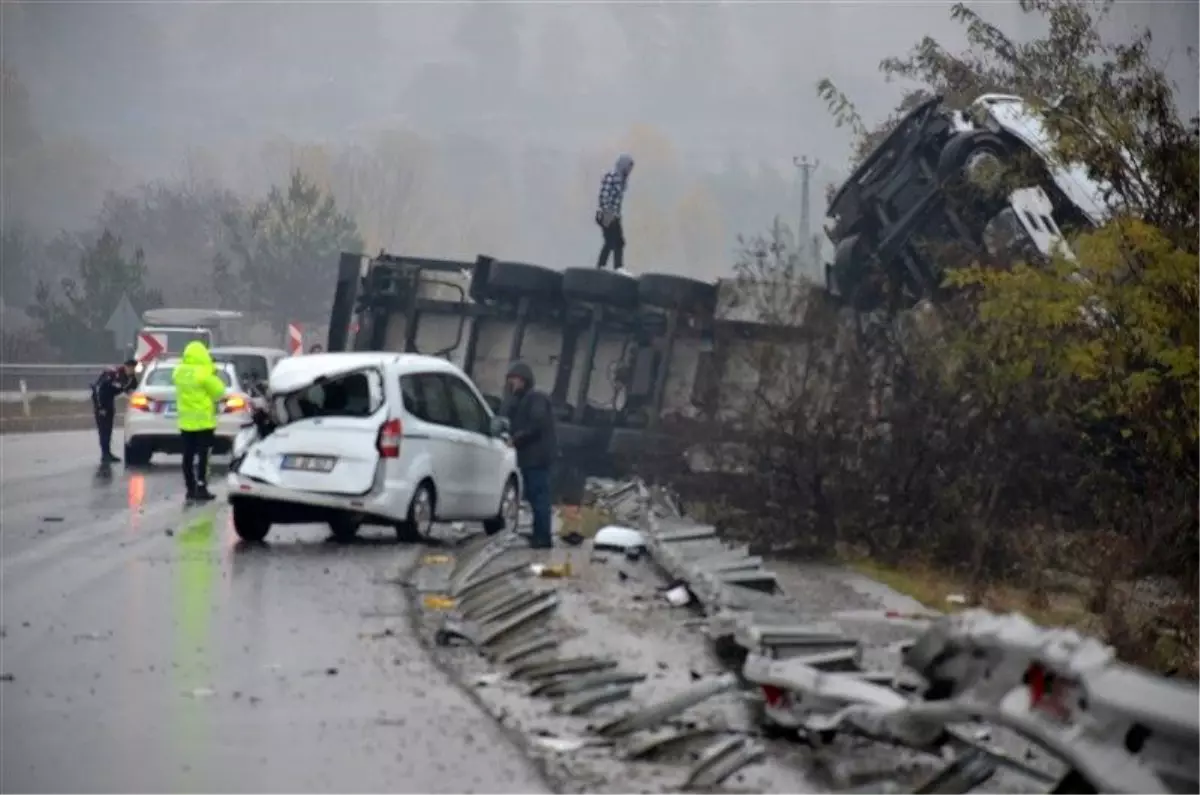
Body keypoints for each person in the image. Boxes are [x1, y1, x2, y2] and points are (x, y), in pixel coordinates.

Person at [502, 361, 558, 550]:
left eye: (515, 380)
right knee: (535, 497)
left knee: (539, 496)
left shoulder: (535, 398)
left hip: (537, 457)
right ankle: (539, 534)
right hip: (530, 457)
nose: (512, 384)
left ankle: (542, 537)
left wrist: (516, 439)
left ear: (524, 380)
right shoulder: (522, 400)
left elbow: (535, 425)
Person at [172, 341, 226, 502]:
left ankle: (190, 488)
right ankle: (201, 486)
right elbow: (219, 391)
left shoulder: (178, 372)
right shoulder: (203, 373)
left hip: (186, 422)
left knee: (187, 455)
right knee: (203, 456)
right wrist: (213, 372)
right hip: (203, 423)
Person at [90, 359, 139, 463]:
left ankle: (108, 453)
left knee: (108, 430)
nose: (131, 370)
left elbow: (134, 392)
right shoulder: (112, 374)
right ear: (125, 366)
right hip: (101, 401)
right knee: (103, 430)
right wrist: (100, 407)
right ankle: (104, 455)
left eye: (133, 368)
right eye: (130, 367)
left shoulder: (131, 379)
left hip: (110, 402)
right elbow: (98, 389)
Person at [595, 153, 635, 274]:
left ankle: (610, 266)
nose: (630, 170)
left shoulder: (622, 180)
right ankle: (611, 267)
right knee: (613, 241)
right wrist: (608, 213)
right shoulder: (611, 176)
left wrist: (617, 216)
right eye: (629, 167)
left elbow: (617, 202)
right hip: (607, 214)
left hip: (614, 215)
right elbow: (604, 196)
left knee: (617, 242)